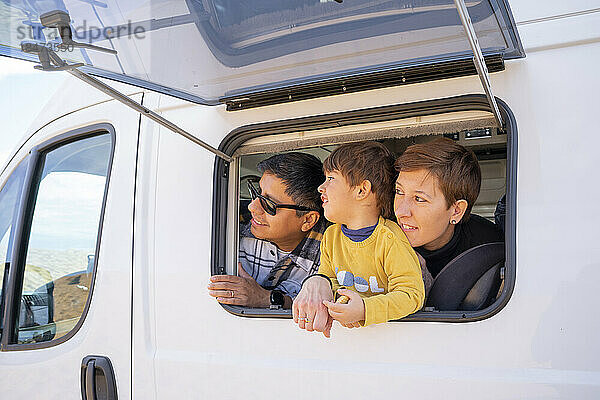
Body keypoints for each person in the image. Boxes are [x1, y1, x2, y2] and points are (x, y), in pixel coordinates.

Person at [293, 138, 503, 337]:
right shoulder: (373, 225)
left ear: (456, 211)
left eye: (419, 199)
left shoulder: (489, 245)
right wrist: (317, 281)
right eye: (398, 192)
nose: (401, 211)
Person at [311, 141, 425, 330]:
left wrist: (364, 309)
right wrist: (339, 304)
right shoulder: (331, 236)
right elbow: (328, 280)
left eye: (331, 178)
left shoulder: (389, 238)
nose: (321, 188)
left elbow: (412, 295)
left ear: (361, 190)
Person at [207, 152, 327, 309]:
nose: (252, 207)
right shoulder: (233, 221)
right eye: (256, 192)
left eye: (269, 203)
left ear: (308, 220)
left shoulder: (332, 253)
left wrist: (266, 298)